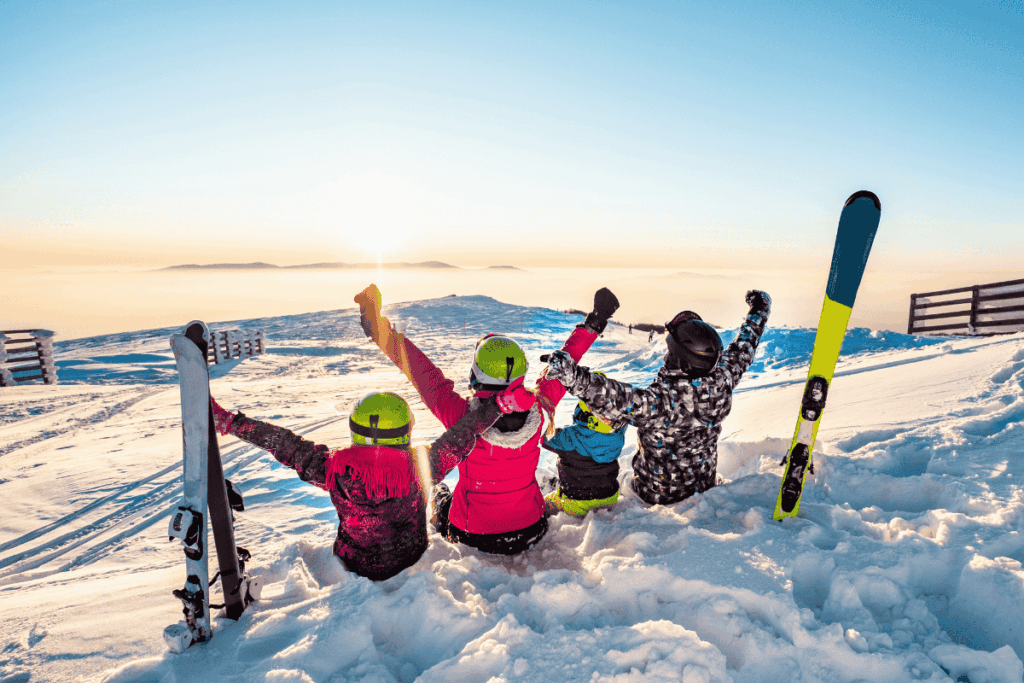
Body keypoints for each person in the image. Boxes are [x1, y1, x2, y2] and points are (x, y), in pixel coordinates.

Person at [355, 284, 619, 555]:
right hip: (531, 528)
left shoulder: (460, 417)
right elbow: (566, 362)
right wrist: (595, 321)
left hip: (472, 534)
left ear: (477, 373)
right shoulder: (539, 409)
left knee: (441, 493)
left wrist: (379, 331)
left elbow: (421, 372)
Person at [542, 290, 771, 506]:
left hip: (655, 495)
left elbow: (615, 398)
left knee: (620, 483)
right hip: (704, 485)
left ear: (679, 359)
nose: (666, 355)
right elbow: (744, 347)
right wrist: (759, 311)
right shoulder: (723, 379)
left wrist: (573, 376)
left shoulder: (663, 402)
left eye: (670, 351)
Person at [209, 391, 428, 581]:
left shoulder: (334, 468)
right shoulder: (423, 465)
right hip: (412, 559)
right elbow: (459, 441)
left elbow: (285, 444)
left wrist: (231, 422)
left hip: (355, 564)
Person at [543, 371, 628, 516]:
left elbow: (544, 439)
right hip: (610, 498)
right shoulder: (617, 435)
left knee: (543, 504)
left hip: (576, 502)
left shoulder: (571, 436)